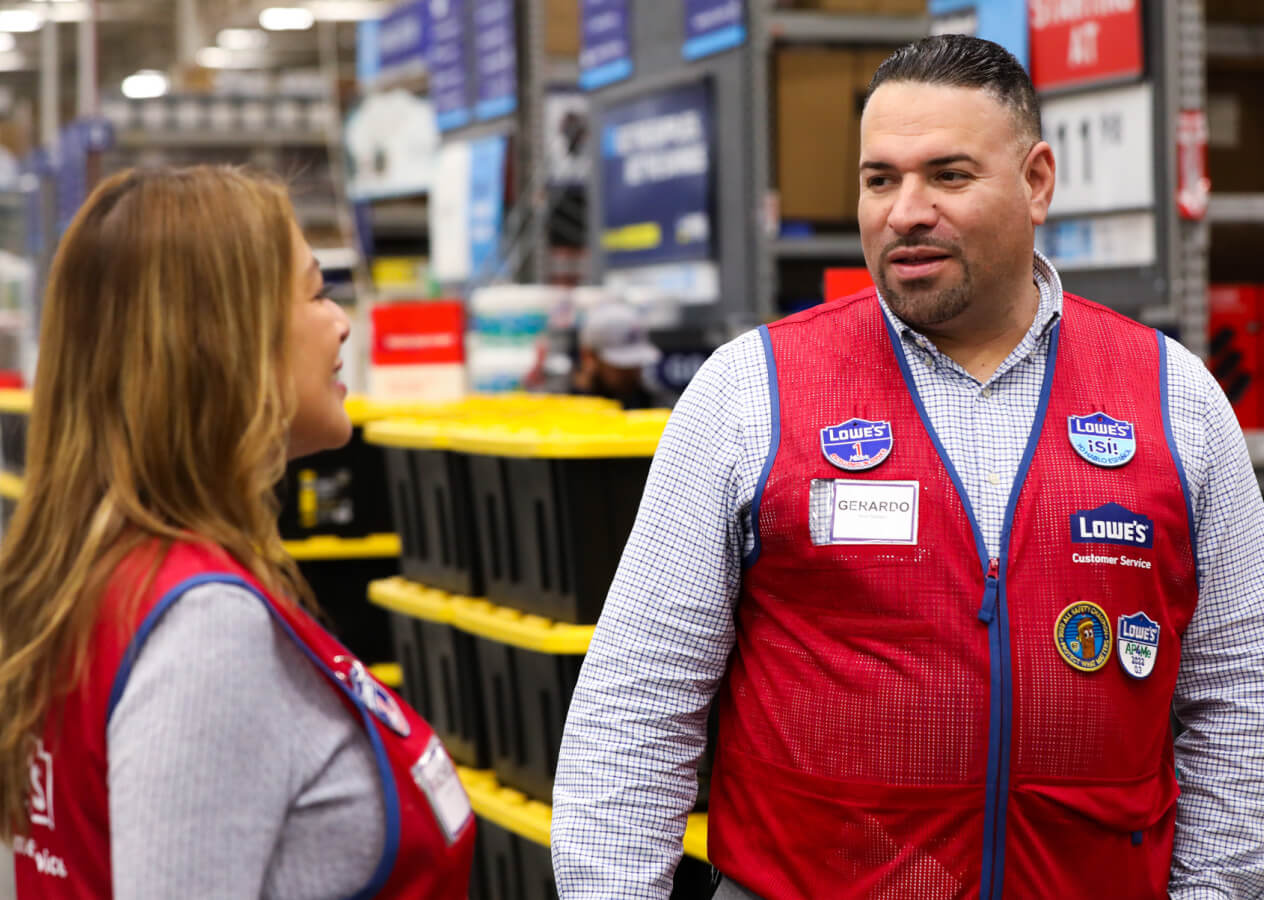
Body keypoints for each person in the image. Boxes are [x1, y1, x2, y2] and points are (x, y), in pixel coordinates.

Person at [551, 35, 1264, 899]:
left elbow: (1239, 702)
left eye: (948, 176)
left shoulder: (1173, 401)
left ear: (1037, 182)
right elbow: (635, 706)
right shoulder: (752, 394)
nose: (905, 211)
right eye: (880, 179)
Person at [0, 167, 476, 898]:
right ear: (223, 340)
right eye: (317, 293)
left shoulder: (104, 577)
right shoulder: (204, 626)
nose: (343, 322)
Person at [570, 301, 671, 409]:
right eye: (620, 365)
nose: (631, 371)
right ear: (588, 357)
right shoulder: (560, 406)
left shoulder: (656, 404)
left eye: (637, 362)